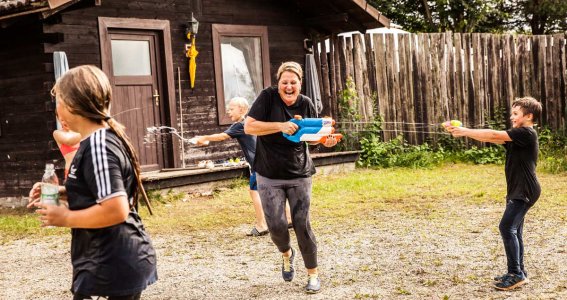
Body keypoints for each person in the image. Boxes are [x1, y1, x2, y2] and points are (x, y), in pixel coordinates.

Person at [28, 65, 158, 299]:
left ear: (71, 107)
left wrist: (66, 217)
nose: (56, 110)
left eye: (58, 101)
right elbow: (98, 190)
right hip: (105, 260)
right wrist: (63, 192)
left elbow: (116, 210)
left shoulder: (99, 145)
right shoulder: (95, 141)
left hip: (111, 264)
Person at [244, 61, 338, 294]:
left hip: (299, 173)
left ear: (299, 84)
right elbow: (249, 127)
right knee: (276, 226)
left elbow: (313, 138)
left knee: (302, 225)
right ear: (278, 84)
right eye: (284, 82)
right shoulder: (267, 98)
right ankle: (287, 254)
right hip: (268, 173)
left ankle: (313, 275)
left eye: (293, 82)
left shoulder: (305, 103)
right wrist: (280, 125)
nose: (288, 86)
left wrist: (325, 141)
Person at [446, 97, 542, 291]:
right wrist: (463, 132)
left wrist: (464, 130)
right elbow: (490, 137)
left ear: (529, 116)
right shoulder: (517, 136)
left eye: (516, 114)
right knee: (515, 230)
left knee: (507, 228)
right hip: (519, 189)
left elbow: (492, 132)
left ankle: (515, 274)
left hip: (524, 190)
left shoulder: (526, 133)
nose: (511, 116)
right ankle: (518, 272)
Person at [192, 97, 291, 237]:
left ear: (242, 110)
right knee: (275, 190)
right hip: (268, 161)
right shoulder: (251, 123)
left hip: (258, 164)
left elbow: (222, 136)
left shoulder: (240, 125)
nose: (228, 111)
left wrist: (204, 137)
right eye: (228, 109)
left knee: (255, 192)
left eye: (232, 109)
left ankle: (262, 225)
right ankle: (289, 218)